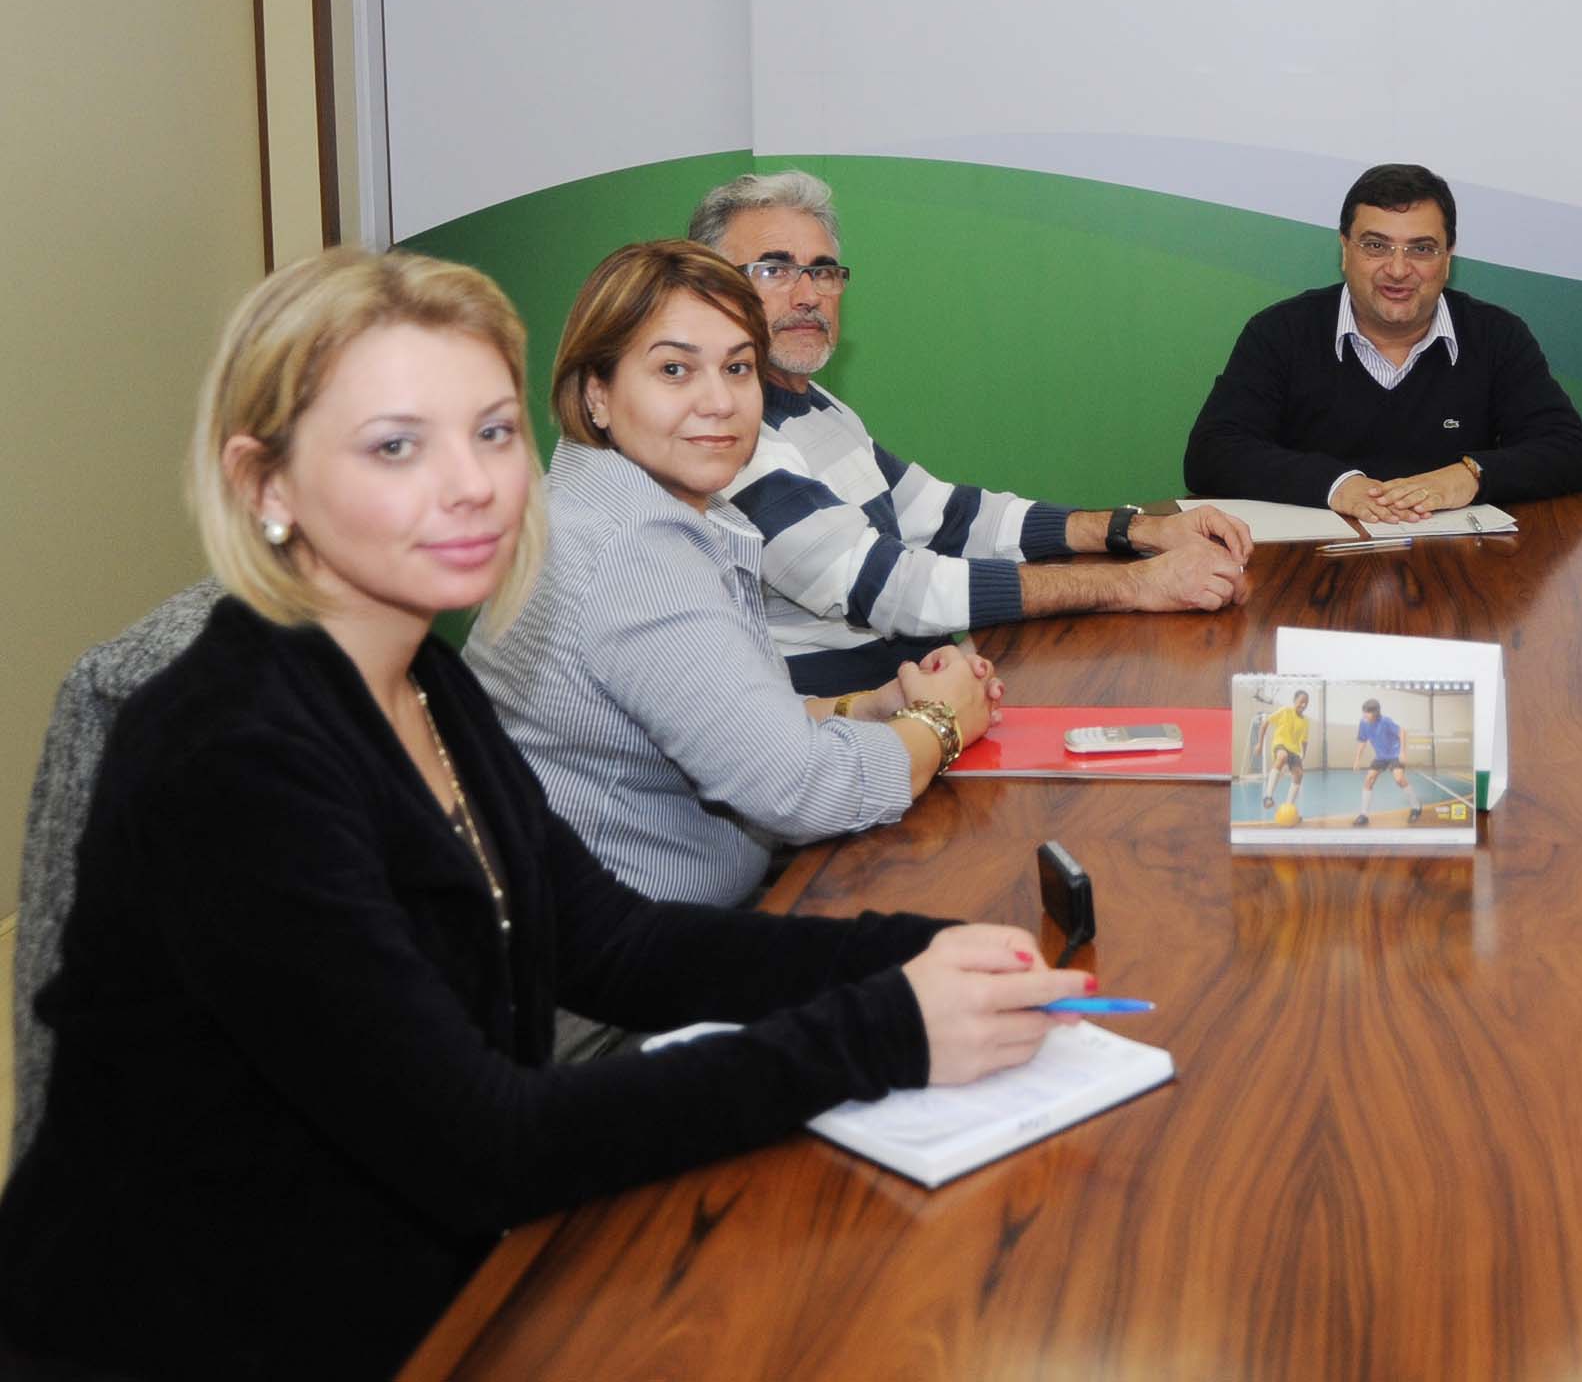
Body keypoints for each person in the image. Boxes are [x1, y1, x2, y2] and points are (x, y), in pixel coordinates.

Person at [0, 249, 1091, 1380]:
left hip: (413, 1285)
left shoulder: (424, 680)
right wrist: (888, 1029)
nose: (472, 484)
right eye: (396, 446)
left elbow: (616, 943)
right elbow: (486, 1142)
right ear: (265, 484)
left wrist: (917, 950)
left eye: (490, 433)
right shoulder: (230, 755)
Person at [469, 241, 995, 907]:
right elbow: (801, 790)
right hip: (628, 957)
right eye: (674, 369)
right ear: (597, 392)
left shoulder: (609, 504)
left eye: (738, 367)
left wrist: (869, 706)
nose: (719, 401)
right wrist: (940, 723)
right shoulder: (631, 551)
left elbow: (726, 719)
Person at [690, 172, 1252, 697]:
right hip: (845, 725)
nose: (808, 294)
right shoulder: (727, 439)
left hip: (927, 688)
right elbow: (887, 589)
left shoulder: (819, 406)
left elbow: (953, 517)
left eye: (823, 271)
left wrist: (1138, 530)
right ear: (707, 292)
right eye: (774, 270)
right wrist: (1135, 585)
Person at [1184, 162, 1582, 523]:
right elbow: (1212, 452)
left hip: (1458, 569)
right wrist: (1337, 486)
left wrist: (1467, 476)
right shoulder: (1281, 332)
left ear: (1448, 257)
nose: (1398, 270)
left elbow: (1569, 452)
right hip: (1316, 566)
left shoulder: (1496, 335)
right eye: (1376, 246)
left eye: (1422, 249)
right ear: (1345, 249)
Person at [1354, 697, 1415, 826]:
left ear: (1375, 713)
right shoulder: (1363, 723)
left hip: (1394, 754)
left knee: (1399, 779)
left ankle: (1416, 807)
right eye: (1364, 712)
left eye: (1368, 712)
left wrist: (1402, 752)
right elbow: (1362, 741)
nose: (1365, 715)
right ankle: (1364, 815)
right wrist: (1357, 759)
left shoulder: (1385, 721)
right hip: (1380, 756)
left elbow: (1402, 732)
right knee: (1369, 779)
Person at [1254, 689, 1313, 811]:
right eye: (1301, 702)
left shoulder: (1305, 721)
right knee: (1282, 756)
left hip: (1294, 750)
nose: (1303, 705)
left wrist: (1303, 755)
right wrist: (1259, 744)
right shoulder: (1285, 711)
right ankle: (1268, 797)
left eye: (1306, 703)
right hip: (1280, 744)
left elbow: (1304, 741)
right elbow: (1265, 723)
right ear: (1294, 700)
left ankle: (1288, 807)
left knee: (1299, 774)